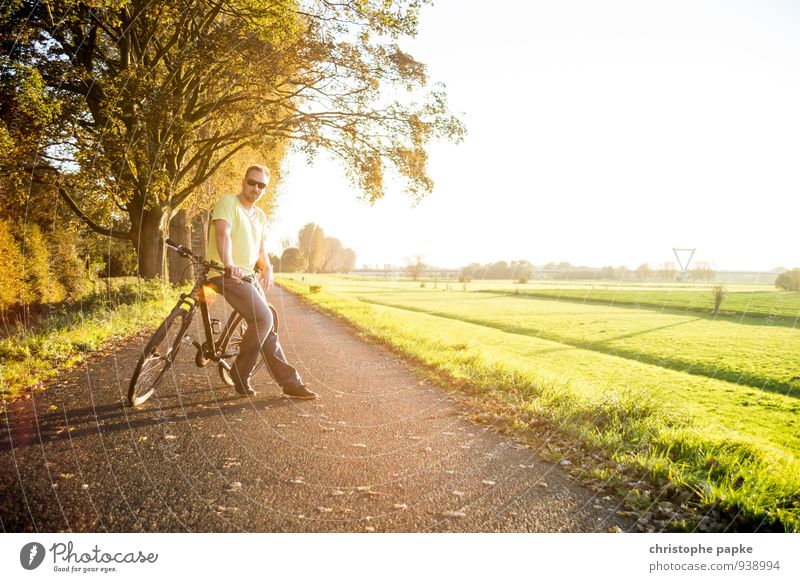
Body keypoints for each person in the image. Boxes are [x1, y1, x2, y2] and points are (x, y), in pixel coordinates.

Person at [205, 164, 318, 400]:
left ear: (265, 189)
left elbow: (261, 249)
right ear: (243, 181)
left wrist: (268, 268)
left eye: (261, 185)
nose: (255, 188)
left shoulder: (261, 216)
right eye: (252, 182)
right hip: (224, 273)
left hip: (248, 276)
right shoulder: (228, 203)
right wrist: (228, 264)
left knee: (266, 327)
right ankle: (239, 372)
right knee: (264, 318)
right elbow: (222, 234)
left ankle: (290, 383)